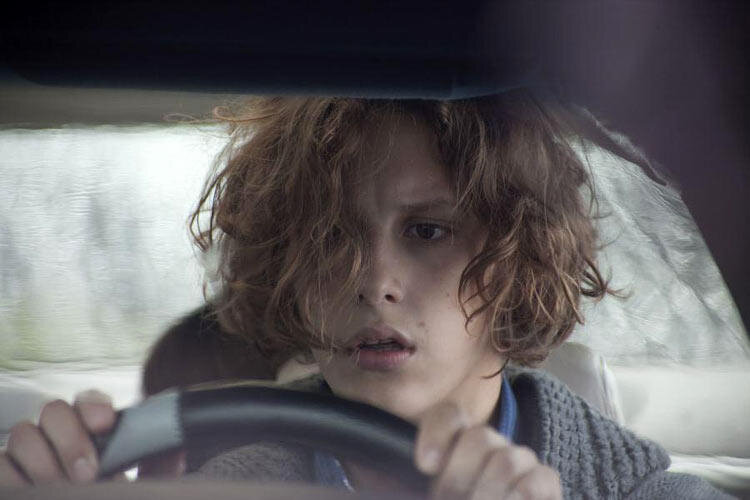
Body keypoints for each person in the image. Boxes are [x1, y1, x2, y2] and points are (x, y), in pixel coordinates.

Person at [0, 91, 733, 499]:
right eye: (330, 237)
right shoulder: (217, 488)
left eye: (428, 231)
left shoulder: (650, 497)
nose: (372, 281)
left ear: (518, 258)